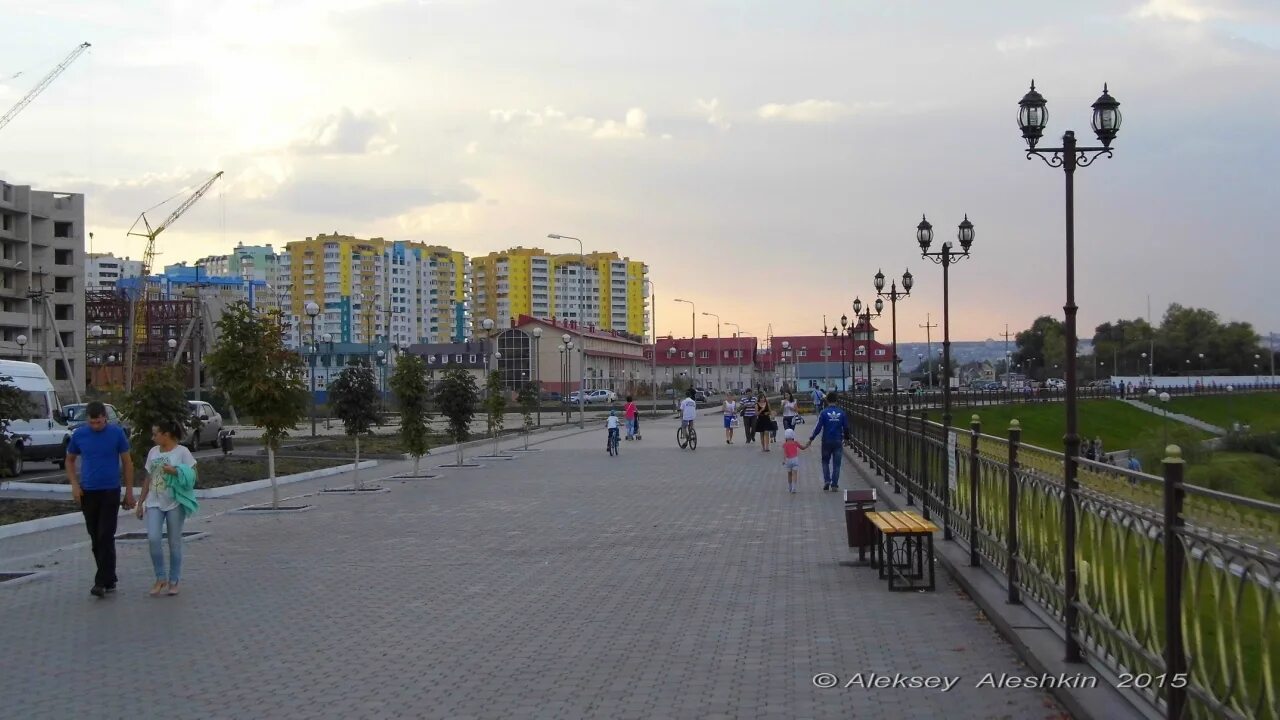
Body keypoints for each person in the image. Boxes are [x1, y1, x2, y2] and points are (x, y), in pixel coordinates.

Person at [65, 401, 134, 598]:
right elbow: (69, 461)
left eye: (99, 422)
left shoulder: (116, 433)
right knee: (96, 537)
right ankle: (109, 577)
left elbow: (127, 462)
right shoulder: (80, 435)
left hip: (110, 491)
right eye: (92, 422)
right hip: (89, 491)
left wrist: (129, 492)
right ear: (87, 419)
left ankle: (100, 582)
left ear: (105, 417)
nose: (96, 426)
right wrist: (75, 485)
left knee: (106, 534)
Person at [136, 421, 198, 597]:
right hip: (154, 501)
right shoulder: (153, 452)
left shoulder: (182, 452)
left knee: (174, 542)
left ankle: (174, 580)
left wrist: (176, 471)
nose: (153, 437)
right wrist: (140, 503)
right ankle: (160, 577)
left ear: (167, 434)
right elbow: (148, 478)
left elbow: (193, 474)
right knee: (153, 539)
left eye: (156, 434)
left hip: (174, 503)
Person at [805, 392, 850, 492]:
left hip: (826, 441)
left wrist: (811, 438)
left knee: (825, 461)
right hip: (838, 440)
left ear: (827, 401)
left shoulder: (824, 413)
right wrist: (846, 439)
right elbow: (846, 427)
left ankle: (827, 481)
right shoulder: (842, 413)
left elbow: (818, 427)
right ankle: (834, 484)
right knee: (837, 464)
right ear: (837, 401)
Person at [782, 428, 803, 494]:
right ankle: (794, 487)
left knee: (789, 474)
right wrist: (807, 445)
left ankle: (790, 487)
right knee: (795, 474)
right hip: (795, 459)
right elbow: (802, 447)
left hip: (788, 460)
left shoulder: (785, 444)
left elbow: (785, 453)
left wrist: (784, 460)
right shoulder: (795, 443)